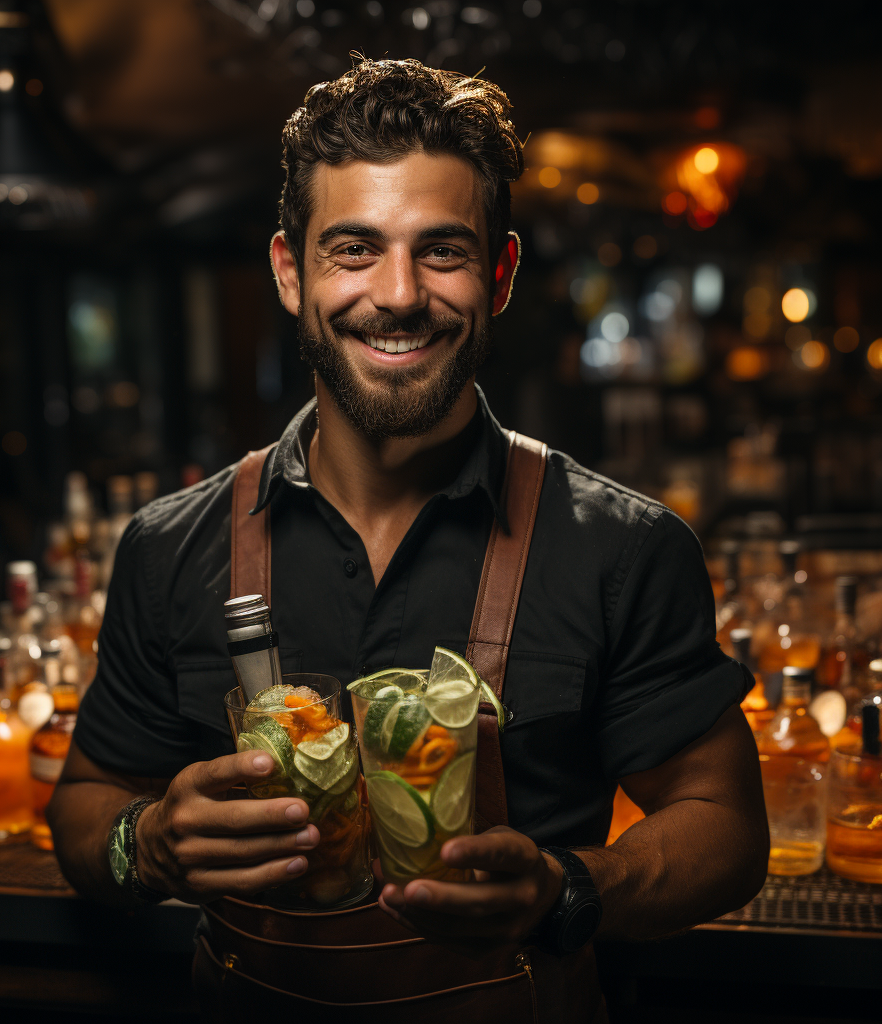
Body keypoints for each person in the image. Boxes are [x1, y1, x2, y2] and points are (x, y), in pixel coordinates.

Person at [47, 59, 768, 1022]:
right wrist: (146, 845)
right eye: (353, 248)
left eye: (443, 251)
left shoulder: (623, 549)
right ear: (288, 270)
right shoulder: (166, 547)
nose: (396, 294)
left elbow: (725, 830)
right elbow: (87, 798)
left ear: (500, 275)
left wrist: (566, 889)